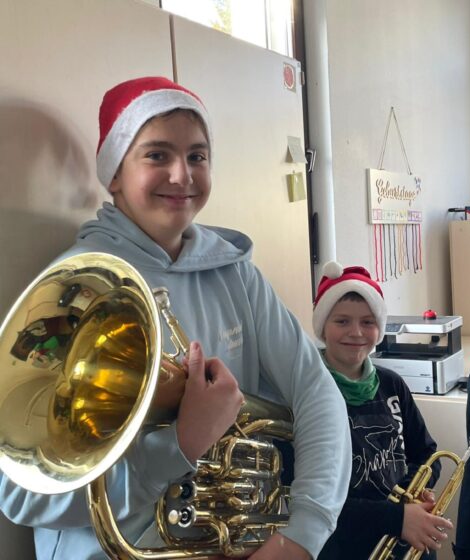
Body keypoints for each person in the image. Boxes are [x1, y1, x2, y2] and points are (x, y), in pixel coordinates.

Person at [0, 76, 351, 560]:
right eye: (157, 155)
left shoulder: (236, 273)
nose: (182, 175)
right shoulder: (75, 287)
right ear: (115, 174)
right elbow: (20, 493)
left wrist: (304, 533)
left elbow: (316, 392)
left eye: (197, 156)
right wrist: (180, 445)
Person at [312, 262, 453, 560]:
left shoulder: (392, 384)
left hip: (403, 537)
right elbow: (308, 496)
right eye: (342, 321)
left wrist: (413, 492)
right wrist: (396, 517)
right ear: (322, 327)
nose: (356, 332)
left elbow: (427, 453)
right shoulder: (309, 392)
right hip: (343, 547)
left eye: (368, 322)